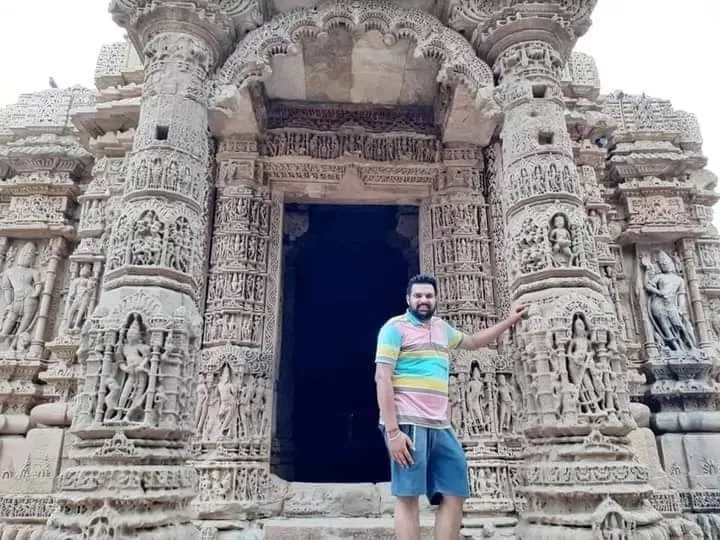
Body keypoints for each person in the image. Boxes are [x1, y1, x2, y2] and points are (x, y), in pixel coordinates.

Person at [374, 274, 527, 540]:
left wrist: (509, 320)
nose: (424, 300)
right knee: (408, 495)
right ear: (408, 299)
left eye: (429, 296)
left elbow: (473, 342)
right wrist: (393, 432)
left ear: (436, 299)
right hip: (408, 421)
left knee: (456, 491)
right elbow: (382, 377)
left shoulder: (441, 328)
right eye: (418, 296)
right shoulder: (394, 328)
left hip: (440, 424)